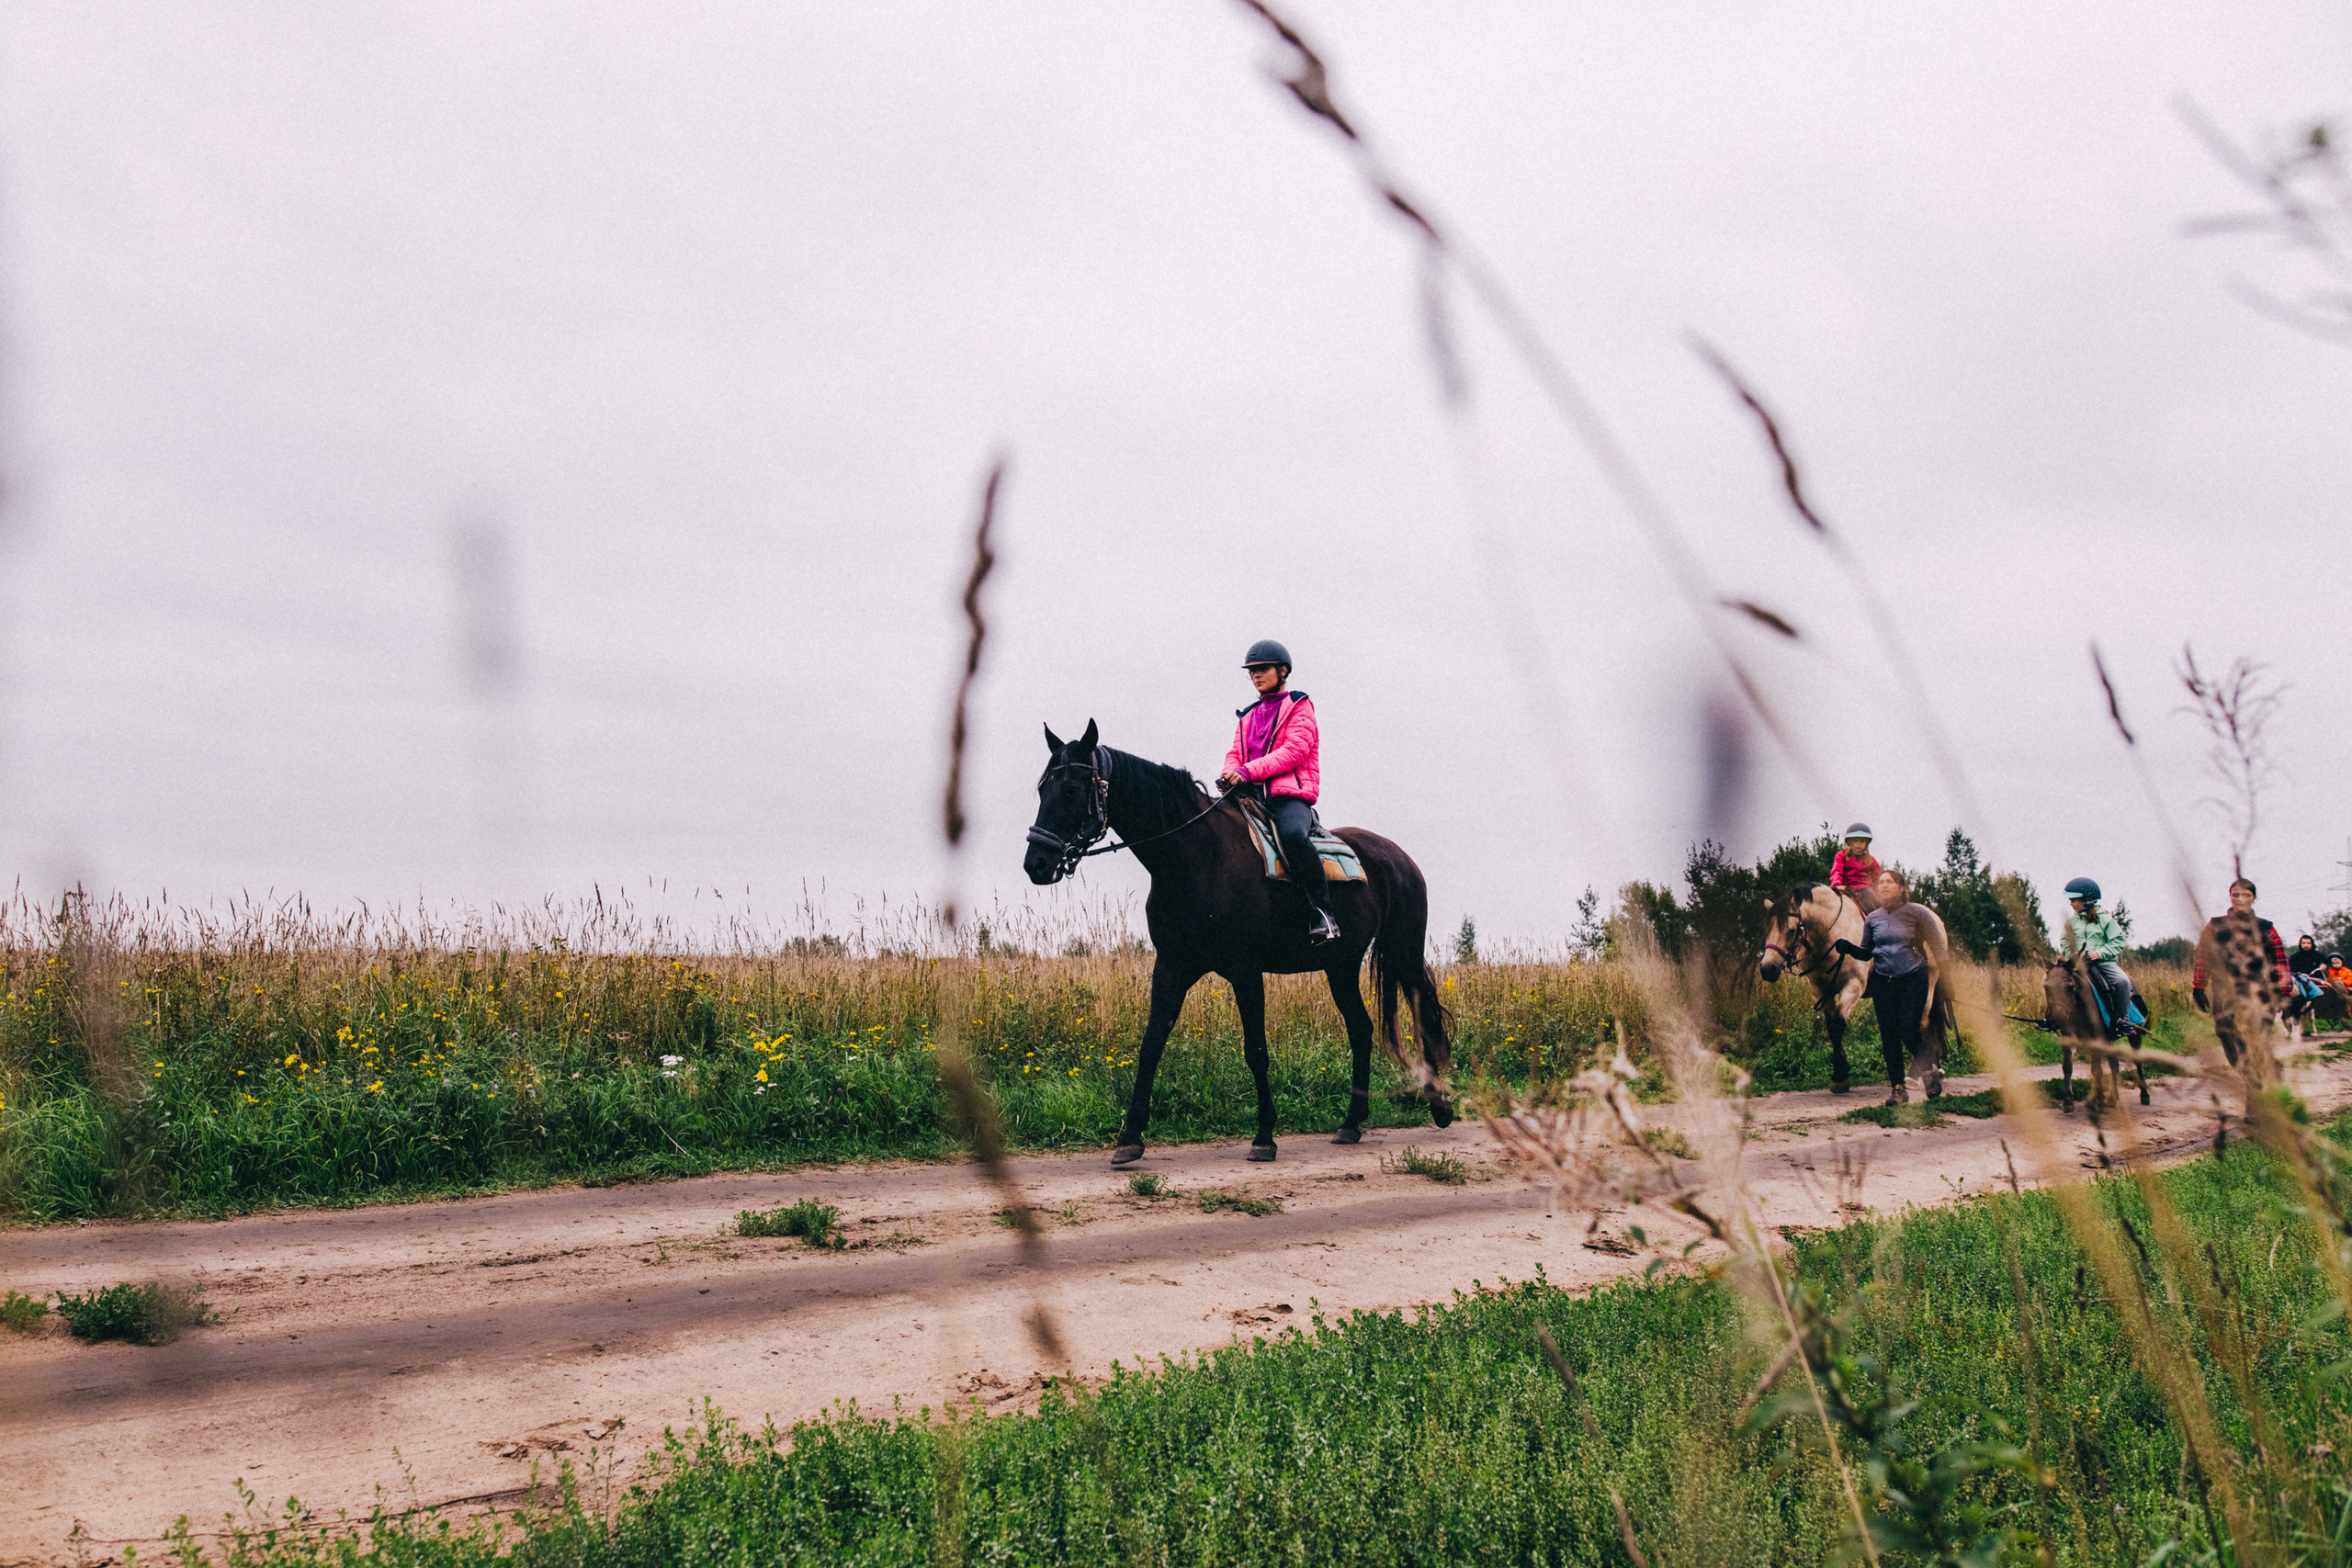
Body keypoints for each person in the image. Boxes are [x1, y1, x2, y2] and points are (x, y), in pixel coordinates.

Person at [1216, 639, 1337, 946]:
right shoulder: (1247, 715)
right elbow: (1235, 753)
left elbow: (1294, 752)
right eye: (1252, 671)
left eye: (1263, 669)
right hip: (1250, 796)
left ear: (1282, 671)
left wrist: (1246, 771)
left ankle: (1323, 914)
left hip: (1289, 797)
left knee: (1294, 837)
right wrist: (1228, 774)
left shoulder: (1299, 706)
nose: (1256, 675)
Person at [1831, 867, 1940, 1106]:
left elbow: (1936, 941)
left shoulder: (1916, 913)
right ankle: (1898, 1090)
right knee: (1889, 1036)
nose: (1884, 885)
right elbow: (1867, 952)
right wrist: (1847, 947)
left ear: (1901, 887)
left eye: (1890, 882)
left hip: (1913, 977)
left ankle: (1929, 1071)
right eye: (1881, 882)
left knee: (1909, 1028)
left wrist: (1945, 969)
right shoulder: (1873, 918)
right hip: (1883, 981)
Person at [2191, 877, 2291, 1058]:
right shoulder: (2215, 926)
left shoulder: (2266, 928)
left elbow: (2279, 960)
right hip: (2224, 991)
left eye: (2246, 895)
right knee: (2226, 1035)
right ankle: (2246, 1076)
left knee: (2257, 1036)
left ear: (2254, 898)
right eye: (2235, 895)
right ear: (2230, 896)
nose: (2240, 899)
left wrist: (2284, 991)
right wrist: (2199, 987)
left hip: (2259, 993)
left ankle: (2258, 1076)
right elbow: (2203, 957)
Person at [2063, 876, 2137, 1037]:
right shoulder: (2071, 922)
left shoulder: (2105, 919)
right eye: (2070, 900)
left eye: (2074, 900)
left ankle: (2123, 1020)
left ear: (2087, 900)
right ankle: (2055, 1018)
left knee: (2123, 981)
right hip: (2078, 965)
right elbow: (2064, 942)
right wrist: (2072, 957)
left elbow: (2118, 941)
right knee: (2055, 981)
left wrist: (2099, 953)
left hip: (2104, 964)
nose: (2071, 904)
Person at [1829, 824, 1882, 913]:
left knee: (1879, 907)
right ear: (1849, 842)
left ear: (1867, 843)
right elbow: (1837, 872)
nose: (1858, 844)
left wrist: (1878, 892)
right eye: (1855, 840)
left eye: (1862, 841)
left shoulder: (1871, 860)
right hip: (1846, 889)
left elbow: (1878, 877)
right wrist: (1837, 885)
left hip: (1865, 890)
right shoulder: (1841, 856)